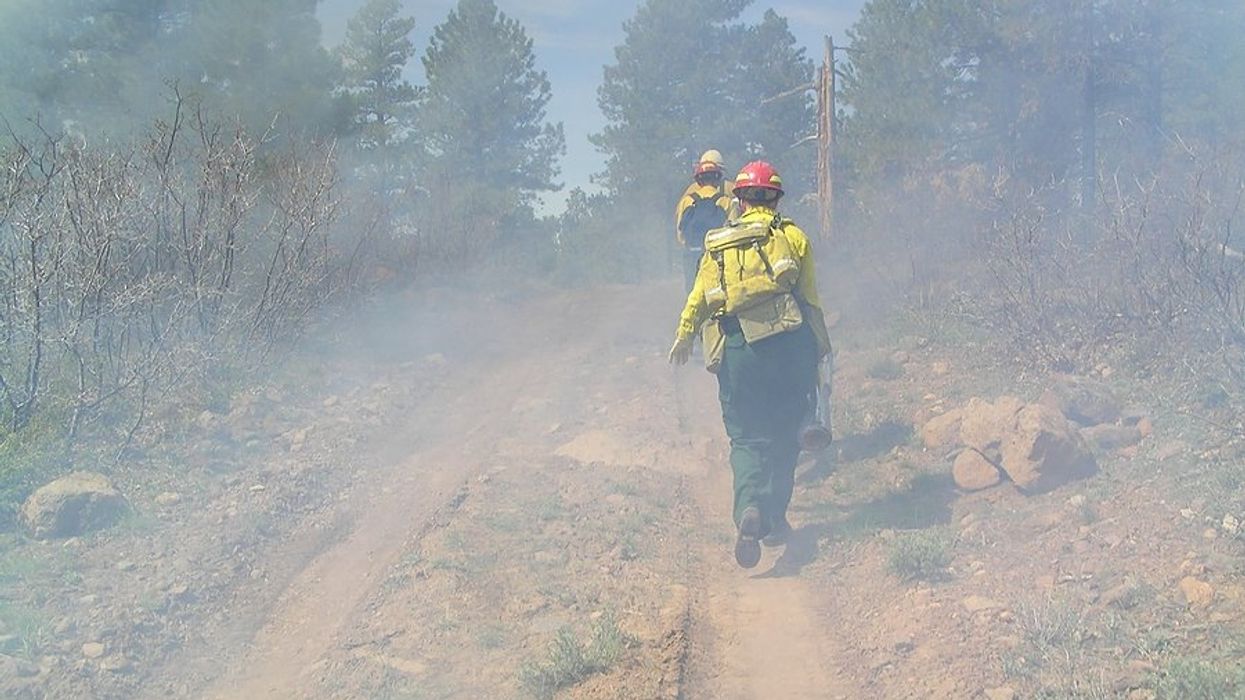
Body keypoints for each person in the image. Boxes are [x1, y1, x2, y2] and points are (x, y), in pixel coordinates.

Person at [668, 161, 832, 569]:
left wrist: (684, 336)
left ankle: (748, 511)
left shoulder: (718, 245)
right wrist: (821, 349)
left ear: (738, 201)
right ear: (775, 198)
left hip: (739, 350)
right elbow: (809, 300)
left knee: (746, 439)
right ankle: (775, 520)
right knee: (786, 435)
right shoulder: (792, 236)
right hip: (789, 349)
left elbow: (698, 299)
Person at [674, 150, 733, 292]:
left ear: (698, 178)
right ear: (719, 175)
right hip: (718, 255)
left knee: (693, 292)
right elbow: (734, 230)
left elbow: (680, 232)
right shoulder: (728, 196)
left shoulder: (688, 198)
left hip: (691, 254)